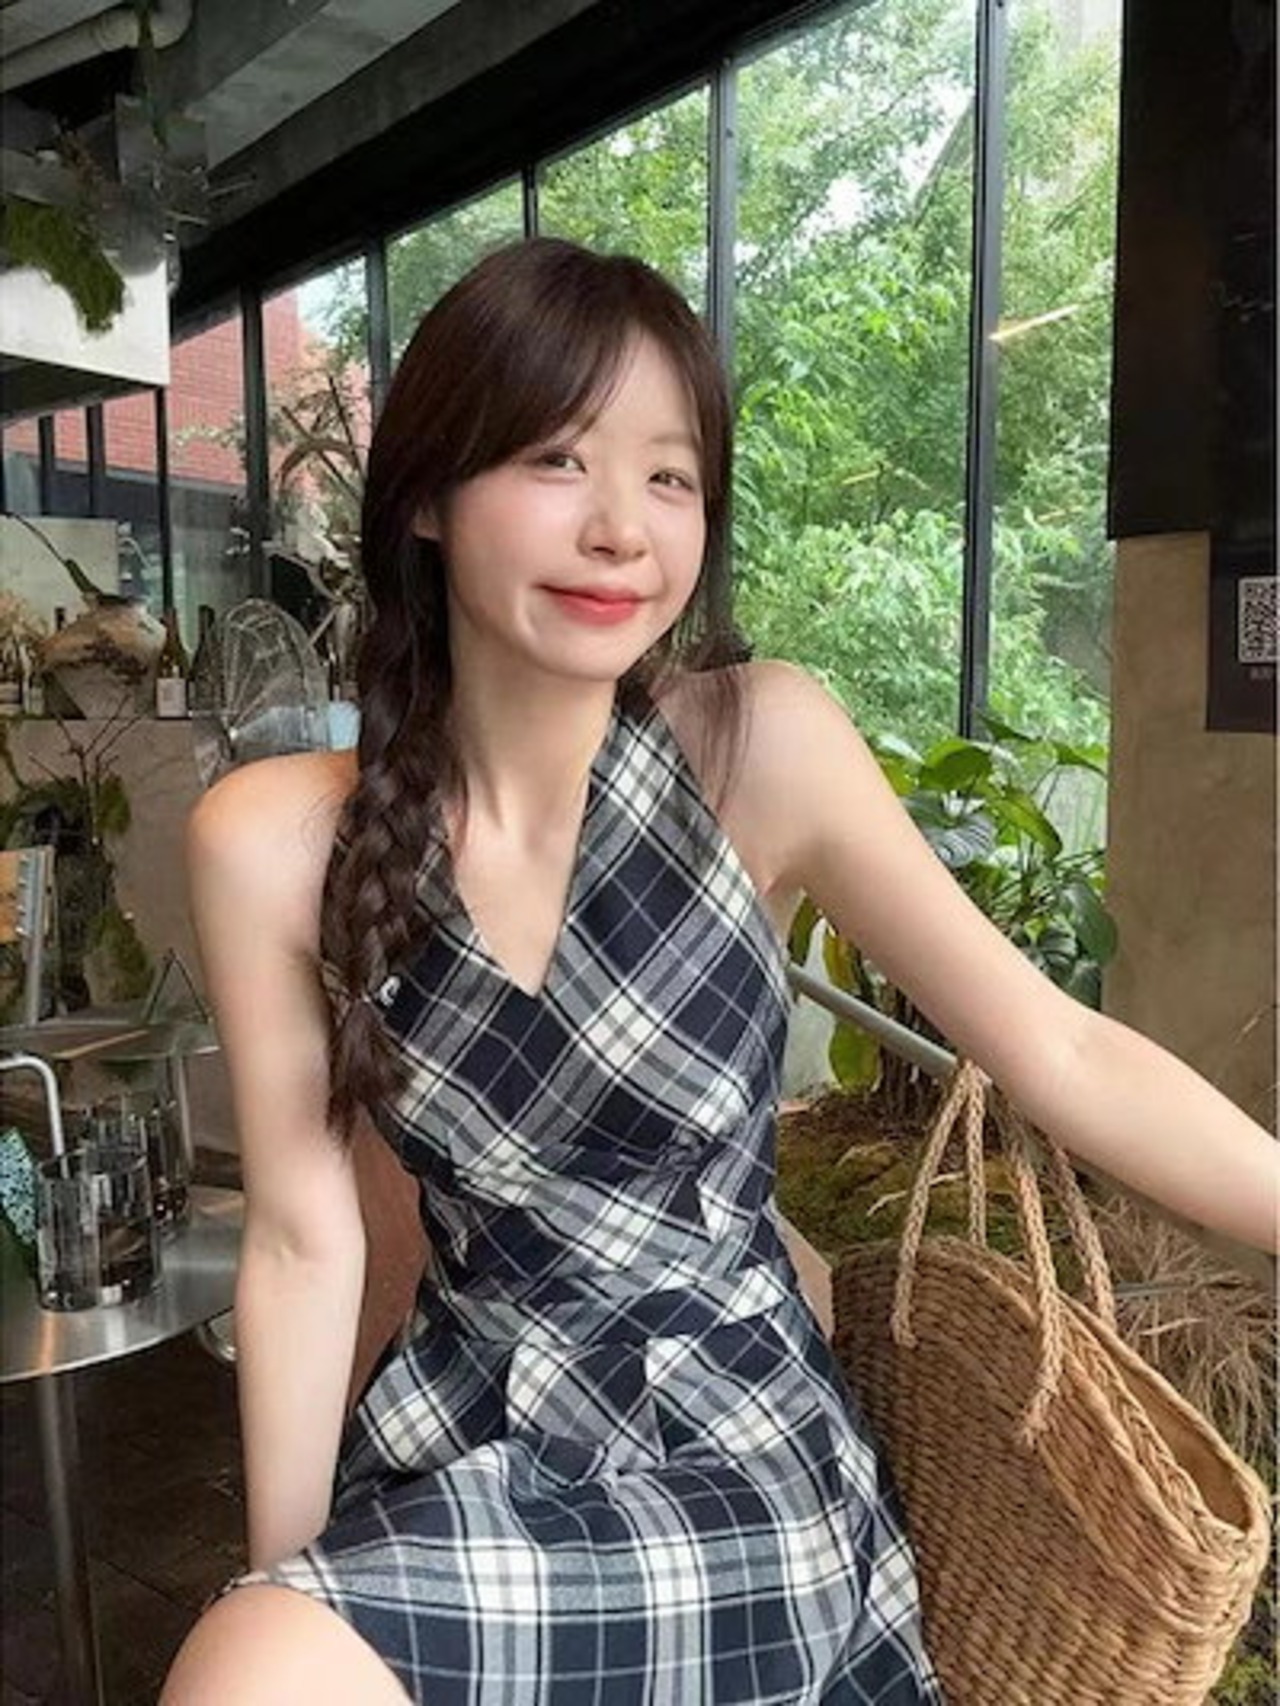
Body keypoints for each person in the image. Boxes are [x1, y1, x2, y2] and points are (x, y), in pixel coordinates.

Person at [162, 238, 1277, 1706]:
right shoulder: (270, 842)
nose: (620, 528)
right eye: (557, 458)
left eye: (670, 477)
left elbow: (1059, 1049)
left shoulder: (763, 748)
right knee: (257, 1659)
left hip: (733, 1447)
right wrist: (283, 1587)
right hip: (460, 1430)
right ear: (426, 495)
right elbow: (306, 1245)